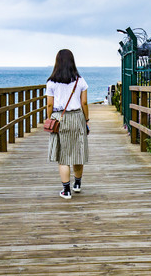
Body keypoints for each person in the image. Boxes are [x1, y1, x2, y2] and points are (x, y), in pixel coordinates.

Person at [46, 49, 89, 199]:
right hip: (77, 117)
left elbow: (50, 105)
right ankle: (77, 184)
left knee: (63, 156)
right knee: (78, 152)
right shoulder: (80, 80)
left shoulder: (51, 82)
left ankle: (66, 190)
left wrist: (49, 118)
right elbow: (84, 102)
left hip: (60, 118)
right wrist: (87, 119)